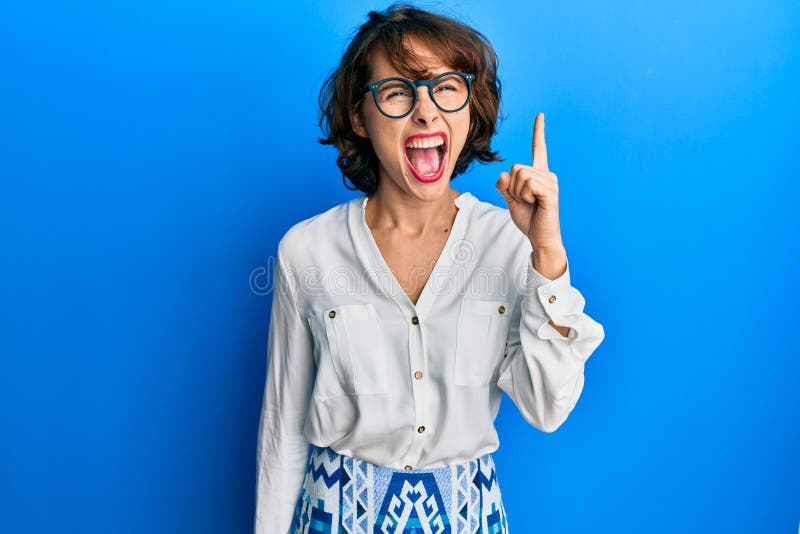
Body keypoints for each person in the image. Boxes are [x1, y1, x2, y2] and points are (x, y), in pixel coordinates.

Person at [254, 4, 605, 533]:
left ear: (470, 108)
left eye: (446, 87)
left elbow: (547, 407)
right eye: (398, 91)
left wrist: (547, 258)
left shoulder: (512, 243)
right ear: (358, 115)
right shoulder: (306, 250)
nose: (426, 111)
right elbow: (283, 429)